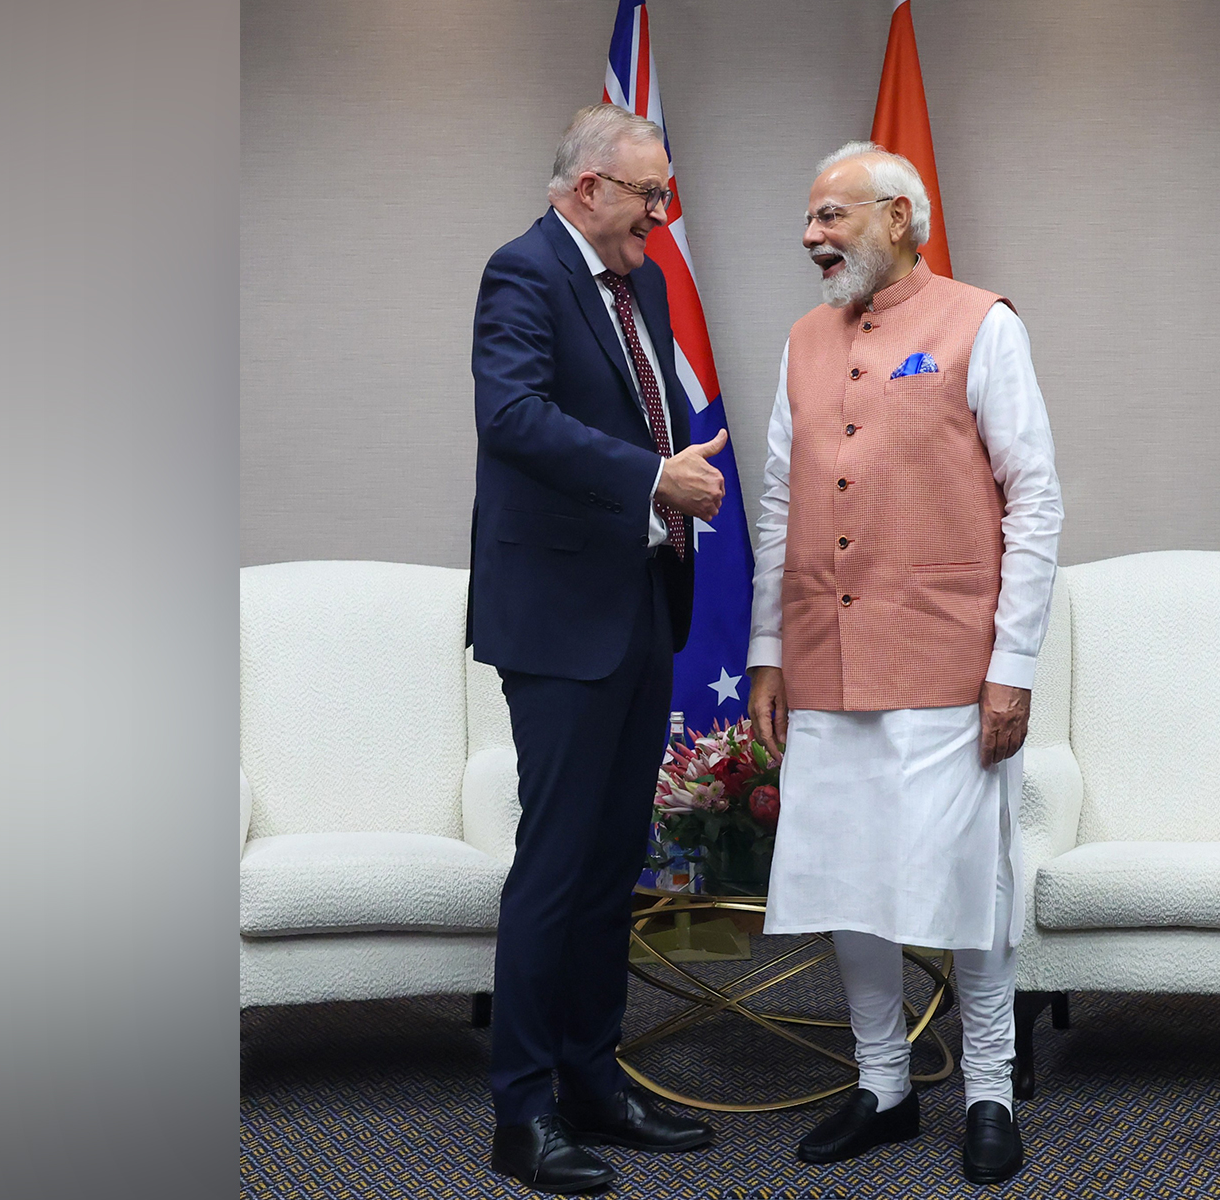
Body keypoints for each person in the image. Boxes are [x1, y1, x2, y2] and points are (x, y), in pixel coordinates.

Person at [747, 142, 1062, 1187]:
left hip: (948, 655)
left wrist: (1012, 662)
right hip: (824, 658)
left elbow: (1035, 499)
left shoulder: (984, 325)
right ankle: (881, 1085)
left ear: (899, 218)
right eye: (809, 217)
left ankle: (987, 1089)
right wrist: (764, 653)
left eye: (831, 217)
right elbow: (780, 507)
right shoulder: (798, 341)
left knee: (968, 884)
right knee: (849, 877)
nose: (811, 237)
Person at [469, 102, 728, 1194]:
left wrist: (675, 472)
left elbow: (647, 417)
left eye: (664, 198)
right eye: (647, 197)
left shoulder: (645, 283)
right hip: (559, 619)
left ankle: (593, 1083)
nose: (661, 218)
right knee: (556, 863)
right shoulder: (520, 274)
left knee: (613, 862)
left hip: (640, 601)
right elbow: (512, 417)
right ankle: (522, 1116)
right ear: (587, 191)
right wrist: (649, 480)